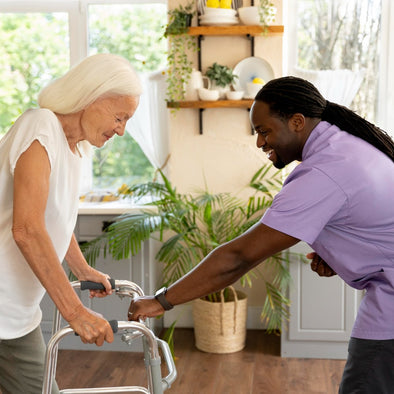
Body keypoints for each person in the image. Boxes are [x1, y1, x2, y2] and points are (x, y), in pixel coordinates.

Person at [128, 76, 394, 393]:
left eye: (264, 131)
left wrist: (160, 301)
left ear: (297, 122)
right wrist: (345, 255)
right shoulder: (347, 147)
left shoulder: (324, 171)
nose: (259, 143)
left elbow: (239, 258)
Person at [0, 53, 142, 393]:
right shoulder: (40, 125)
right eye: (120, 117)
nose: (121, 130)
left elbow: (53, 219)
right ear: (92, 96)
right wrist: (75, 312)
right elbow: (28, 229)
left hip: (17, 313)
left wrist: (81, 268)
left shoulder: (74, 149)